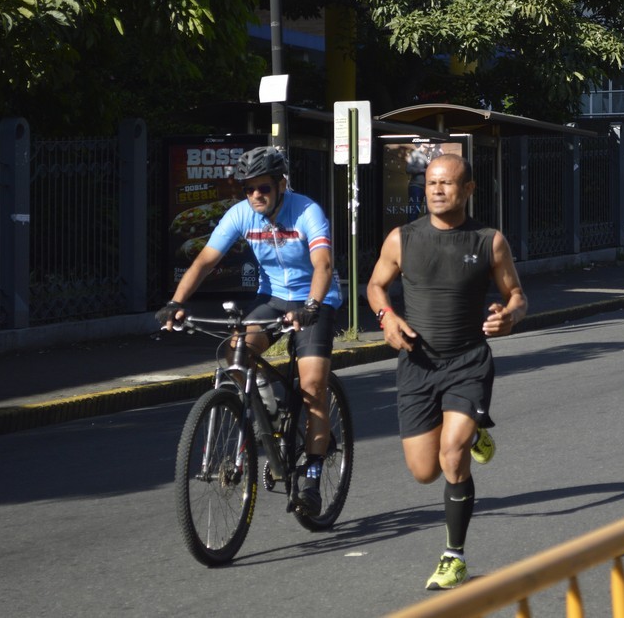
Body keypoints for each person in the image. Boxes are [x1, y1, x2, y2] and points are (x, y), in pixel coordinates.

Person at [366, 153, 528, 590]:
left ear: (468, 190)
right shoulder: (402, 239)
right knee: (425, 471)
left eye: (447, 183)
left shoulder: (489, 241)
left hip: (467, 362)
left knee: (452, 455)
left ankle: (454, 556)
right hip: (417, 364)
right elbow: (376, 285)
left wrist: (509, 316)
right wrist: (386, 317)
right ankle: (474, 434)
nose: (436, 190)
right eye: (431, 183)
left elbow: (516, 295)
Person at [156, 146, 342, 516]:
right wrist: (176, 302)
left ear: (281, 185)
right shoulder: (241, 214)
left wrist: (311, 306)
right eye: (248, 188)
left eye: (263, 187)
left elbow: (323, 264)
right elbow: (205, 260)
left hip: (315, 299)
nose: (256, 195)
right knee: (235, 353)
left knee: (312, 387)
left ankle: (311, 474)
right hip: (272, 298)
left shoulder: (307, 211)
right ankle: (269, 412)